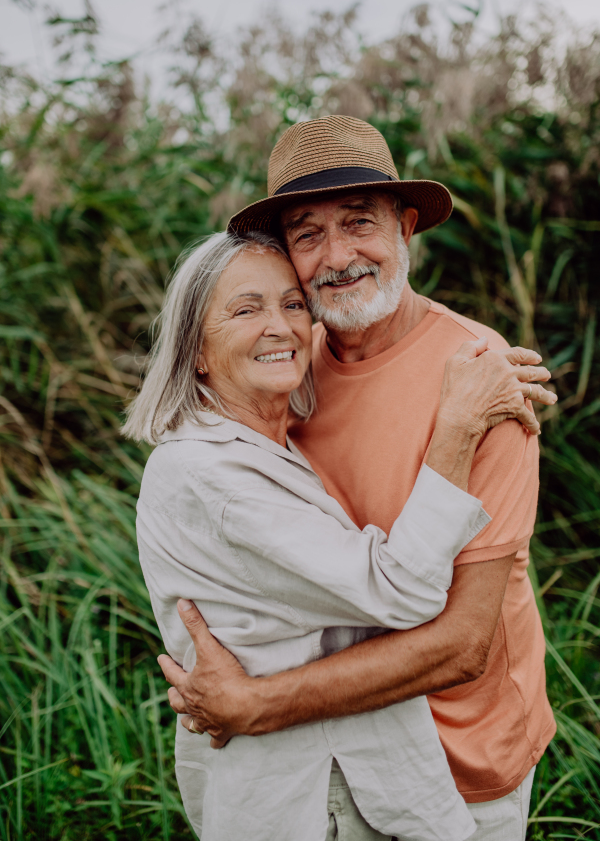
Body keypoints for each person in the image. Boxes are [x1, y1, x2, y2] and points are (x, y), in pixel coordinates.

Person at [159, 116, 558, 841]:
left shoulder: (478, 379)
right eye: (307, 235)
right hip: (337, 765)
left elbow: (463, 642)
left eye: (359, 223)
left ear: (406, 227)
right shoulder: (288, 359)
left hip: (462, 761)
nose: (337, 257)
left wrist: (256, 705)